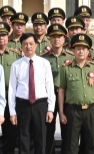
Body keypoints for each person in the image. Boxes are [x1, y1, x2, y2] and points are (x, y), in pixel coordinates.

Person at [58, 34, 94, 154]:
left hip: (91, 110)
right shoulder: (66, 69)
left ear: (88, 51)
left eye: (84, 49)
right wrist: (61, 112)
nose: (81, 51)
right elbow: (61, 91)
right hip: (73, 110)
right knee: (71, 144)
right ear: (73, 50)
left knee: (92, 144)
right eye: (78, 48)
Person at [8, 33, 55, 154]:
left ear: (36, 45)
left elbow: (49, 86)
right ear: (21, 46)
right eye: (25, 44)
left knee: (41, 139)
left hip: (40, 105)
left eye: (31, 44)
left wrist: (50, 109)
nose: (28, 46)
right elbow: (12, 89)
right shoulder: (16, 65)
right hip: (22, 104)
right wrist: (12, 112)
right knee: (24, 138)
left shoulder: (44, 63)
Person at [40, 24, 72, 154]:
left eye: (59, 37)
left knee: (68, 131)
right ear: (49, 39)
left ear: (64, 39)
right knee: (48, 130)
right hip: (49, 97)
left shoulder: (72, 57)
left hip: (67, 97)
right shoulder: (43, 58)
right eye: (53, 37)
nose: (56, 39)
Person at [0, 22, 20, 154]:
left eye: (4, 35)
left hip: (10, 95)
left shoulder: (16, 55)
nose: (1, 38)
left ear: (8, 37)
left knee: (11, 130)